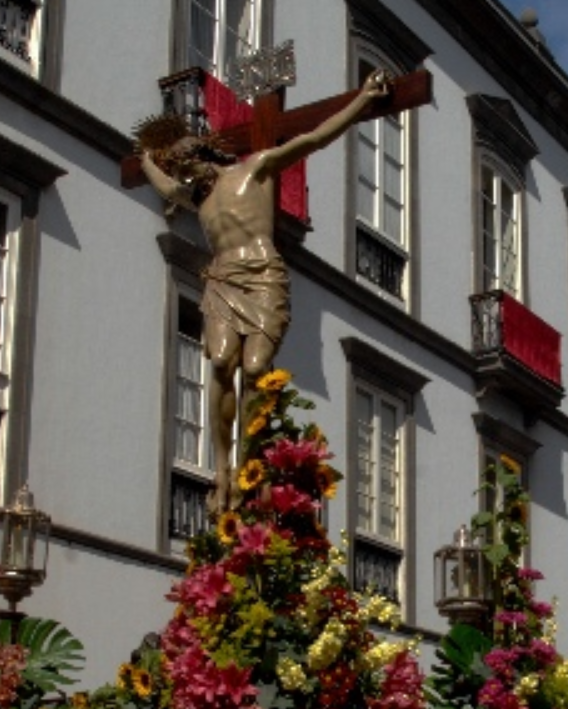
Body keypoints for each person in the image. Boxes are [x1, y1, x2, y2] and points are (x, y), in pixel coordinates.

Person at [137, 69, 392, 513]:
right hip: (222, 279)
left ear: (201, 154)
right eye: (177, 169)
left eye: (185, 164)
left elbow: (312, 139)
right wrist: (144, 160)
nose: (182, 174)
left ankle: (251, 461)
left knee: (255, 368)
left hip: (264, 275)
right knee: (220, 362)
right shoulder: (198, 197)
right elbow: (165, 187)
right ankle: (222, 468)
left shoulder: (253, 170)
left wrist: (361, 102)